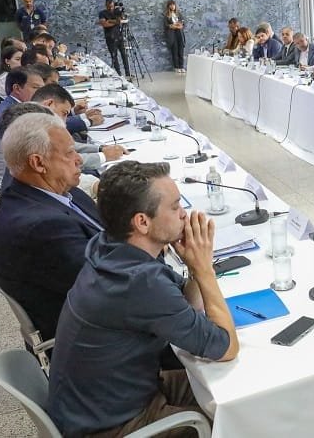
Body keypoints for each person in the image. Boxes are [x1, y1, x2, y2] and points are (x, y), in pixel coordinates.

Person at [48, 161, 239, 437]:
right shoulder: (140, 282)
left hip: (104, 401)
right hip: (111, 426)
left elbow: (187, 303)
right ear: (142, 222)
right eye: (174, 207)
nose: (184, 214)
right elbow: (225, 347)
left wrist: (196, 268)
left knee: (228, 391)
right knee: (232, 419)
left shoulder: (110, 247)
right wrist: (206, 270)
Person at [0, 113, 104, 342]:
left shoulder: (55, 192)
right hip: (100, 343)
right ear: (38, 163)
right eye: (70, 153)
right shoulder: (42, 227)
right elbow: (110, 288)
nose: (79, 160)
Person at [98, 0, 130, 77]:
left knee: (124, 55)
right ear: (106, 6)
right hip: (110, 38)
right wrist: (115, 22)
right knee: (114, 56)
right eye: (109, 7)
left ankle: (128, 73)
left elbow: (122, 19)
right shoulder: (102, 13)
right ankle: (119, 74)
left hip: (119, 36)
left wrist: (109, 21)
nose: (110, 8)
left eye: (112, 6)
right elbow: (104, 24)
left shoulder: (117, 11)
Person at [164, 0, 186, 73]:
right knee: (175, 50)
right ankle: (176, 67)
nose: (172, 6)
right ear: (168, 6)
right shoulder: (167, 15)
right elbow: (166, 25)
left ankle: (181, 66)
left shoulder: (179, 14)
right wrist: (172, 26)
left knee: (181, 51)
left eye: (173, 5)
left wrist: (181, 25)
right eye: (171, 5)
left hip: (180, 33)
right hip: (172, 34)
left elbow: (183, 23)